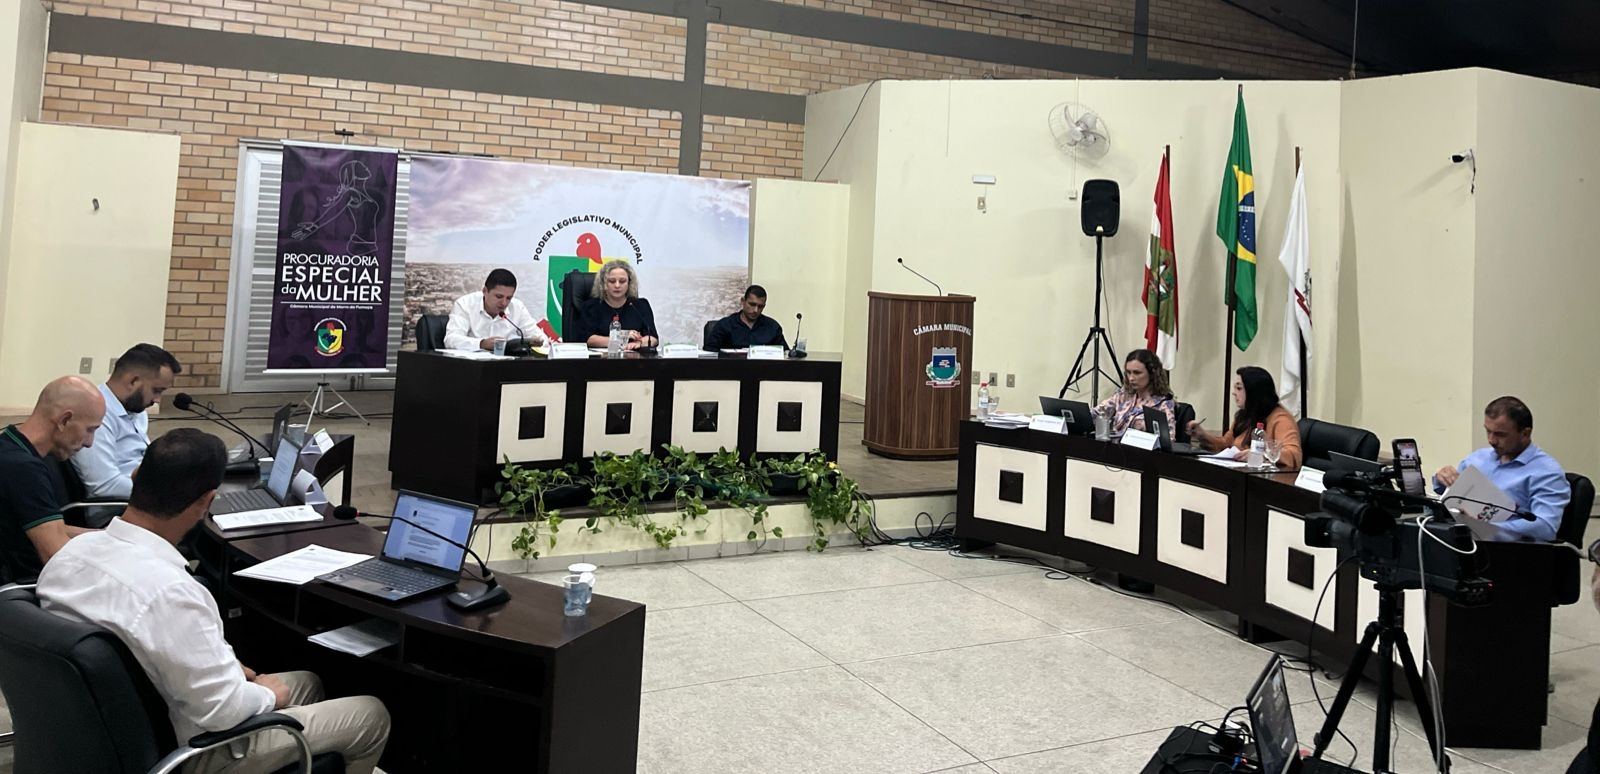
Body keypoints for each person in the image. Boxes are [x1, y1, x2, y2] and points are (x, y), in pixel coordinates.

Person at [38, 429, 391, 773]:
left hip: (104, 731)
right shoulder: (172, 592)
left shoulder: (70, 556)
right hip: (191, 750)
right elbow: (223, 712)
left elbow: (146, 646)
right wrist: (269, 697)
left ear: (136, 477)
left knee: (309, 682)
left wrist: (227, 670)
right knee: (371, 714)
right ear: (206, 502)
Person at [0, 376, 105, 583]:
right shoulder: (23, 469)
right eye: (90, 430)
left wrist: (107, 537)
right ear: (64, 420)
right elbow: (55, 556)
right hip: (26, 587)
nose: (89, 443)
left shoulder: (9, 445)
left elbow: (49, 528)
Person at [1432, 396, 1569, 542]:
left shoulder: (1546, 472)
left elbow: (1545, 527)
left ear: (1525, 434)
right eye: (1488, 431)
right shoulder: (1478, 458)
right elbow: (1450, 495)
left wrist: (1486, 529)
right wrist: (1443, 479)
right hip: (1462, 540)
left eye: (1500, 434)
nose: (1491, 440)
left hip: (1507, 550)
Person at [71, 343, 182, 499]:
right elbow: (105, 486)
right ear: (133, 382)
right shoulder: (96, 415)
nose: (157, 399)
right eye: (156, 390)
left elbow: (137, 459)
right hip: (120, 506)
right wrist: (167, 493)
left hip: (143, 493)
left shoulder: (135, 409)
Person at [1187, 366, 1303, 469]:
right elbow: (1226, 444)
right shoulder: (1245, 415)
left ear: (1254, 391)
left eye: (1239, 388)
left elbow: (1294, 455)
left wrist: (1262, 454)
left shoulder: (1281, 419)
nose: (1234, 393)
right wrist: (1203, 435)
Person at [443, 268, 547, 351]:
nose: (504, 303)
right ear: (485, 291)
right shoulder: (465, 304)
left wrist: (536, 342)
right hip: (473, 366)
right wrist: (482, 344)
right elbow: (451, 339)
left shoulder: (517, 307)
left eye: (509, 298)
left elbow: (541, 338)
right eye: (499, 296)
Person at [576, 259, 658, 350]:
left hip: (633, 357)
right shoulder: (591, 307)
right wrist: (622, 337)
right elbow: (588, 339)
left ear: (629, 283)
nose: (617, 285)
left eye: (622, 281)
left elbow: (653, 338)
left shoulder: (640, 306)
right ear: (603, 284)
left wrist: (639, 343)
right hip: (602, 358)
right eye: (612, 281)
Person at [1093, 349, 1176, 437]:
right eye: (1128, 373)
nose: (1131, 378)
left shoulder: (1163, 404)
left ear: (1152, 374)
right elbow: (1098, 413)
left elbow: (1168, 438)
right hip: (1114, 444)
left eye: (1137, 373)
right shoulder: (1123, 395)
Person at [705, 285, 787, 350]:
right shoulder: (724, 326)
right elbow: (709, 355)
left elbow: (785, 355)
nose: (755, 310)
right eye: (752, 304)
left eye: (760, 306)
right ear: (743, 301)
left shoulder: (773, 327)